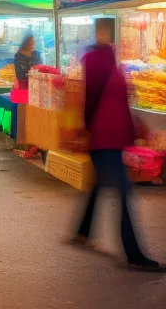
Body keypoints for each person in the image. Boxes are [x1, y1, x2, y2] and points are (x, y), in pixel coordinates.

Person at [72, 18, 161, 270]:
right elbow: (90, 99)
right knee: (123, 192)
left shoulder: (107, 58)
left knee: (100, 184)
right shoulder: (97, 61)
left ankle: (82, 231)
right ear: (98, 31)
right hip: (103, 137)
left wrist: (133, 128)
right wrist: (86, 130)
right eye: (103, 30)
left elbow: (118, 98)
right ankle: (134, 254)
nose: (107, 35)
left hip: (109, 135)